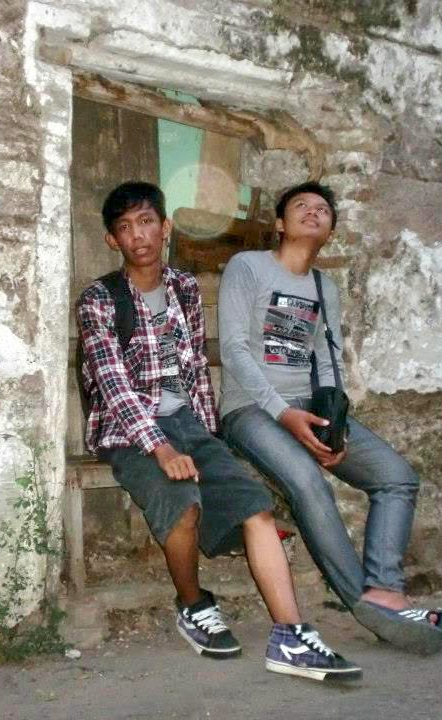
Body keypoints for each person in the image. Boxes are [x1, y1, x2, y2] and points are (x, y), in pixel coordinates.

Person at [76, 181, 360, 681]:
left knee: (255, 506)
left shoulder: (184, 288)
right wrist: (161, 448)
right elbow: (113, 386)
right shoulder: (99, 299)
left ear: (165, 228)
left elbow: (193, 369)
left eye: (146, 222)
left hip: (188, 424)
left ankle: (291, 636)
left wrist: (211, 439)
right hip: (128, 431)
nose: (138, 235)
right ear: (111, 240)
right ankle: (192, 604)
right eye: (124, 227)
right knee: (183, 504)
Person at [218, 181, 442, 655]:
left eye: (323, 209)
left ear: (331, 231)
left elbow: (327, 359)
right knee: (308, 481)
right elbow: (234, 350)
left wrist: (334, 426)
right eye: (301, 205)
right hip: (251, 410)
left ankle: (384, 589)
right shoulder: (248, 267)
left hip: (309, 407)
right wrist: (284, 414)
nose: (313, 212)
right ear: (280, 224)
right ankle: (365, 603)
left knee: (396, 477)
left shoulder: (325, 287)